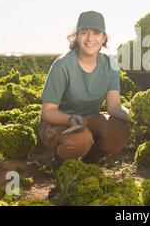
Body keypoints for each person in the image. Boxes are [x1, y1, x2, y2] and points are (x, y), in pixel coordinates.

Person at [38, 11, 131, 169]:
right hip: (58, 123)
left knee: (120, 131)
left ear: (103, 38)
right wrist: (69, 119)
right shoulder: (62, 65)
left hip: (89, 120)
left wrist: (132, 116)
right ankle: (59, 162)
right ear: (77, 36)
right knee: (81, 139)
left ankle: (90, 161)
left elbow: (114, 107)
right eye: (84, 32)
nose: (90, 39)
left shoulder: (110, 65)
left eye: (96, 33)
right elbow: (48, 112)